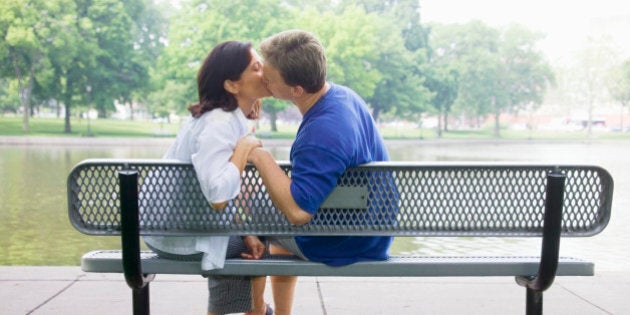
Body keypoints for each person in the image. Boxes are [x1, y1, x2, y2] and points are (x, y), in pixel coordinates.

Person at [248, 29, 394, 314]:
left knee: (247, 227)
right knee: (270, 227)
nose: (263, 77)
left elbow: (298, 212)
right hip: (375, 224)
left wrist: (261, 156)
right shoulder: (340, 96)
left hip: (348, 240)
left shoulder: (322, 134)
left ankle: (254, 310)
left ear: (296, 90)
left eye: (270, 77)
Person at [141, 41, 273, 315]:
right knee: (255, 246)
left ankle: (255, 311)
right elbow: (218, 197)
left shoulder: (226, 120)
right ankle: (257, 312)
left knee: (253, 240)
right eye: (256, 67)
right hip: (176, 236)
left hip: (183, 226)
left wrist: (245, 231)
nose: (265, 70)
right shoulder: (219, 124)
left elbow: (217, 191)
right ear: (232, 85)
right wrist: (244, 148)